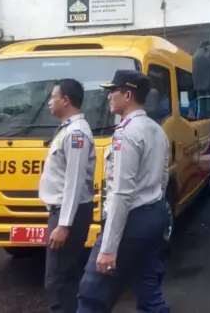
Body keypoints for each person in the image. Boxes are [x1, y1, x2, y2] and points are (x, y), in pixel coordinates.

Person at [77, 70, 171, 313]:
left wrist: (108, 248)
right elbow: (163, 176)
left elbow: (121, 193)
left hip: (132, 219)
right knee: (148, 285)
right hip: (155, 213)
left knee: (92, 293)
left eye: (113, 91)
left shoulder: (126, 134)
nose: (109, 97)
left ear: (128, 95)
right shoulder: (156, 129)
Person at [38, 79, 97, 313]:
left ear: (66, 100)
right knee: (64, 276)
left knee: (58, 279)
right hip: (65, 212)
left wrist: (64, 225)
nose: (49, 102)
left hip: (68, 213)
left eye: (53, 97)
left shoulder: (76, 133)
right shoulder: (68, 129)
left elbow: (74, 182)